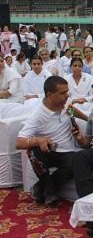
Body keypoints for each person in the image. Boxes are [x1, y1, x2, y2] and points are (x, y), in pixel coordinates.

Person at [16, 76, 80, 205]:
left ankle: (42, 189)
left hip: (68, 152)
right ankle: (49, 192)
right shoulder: (38, 115)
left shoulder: (65, 104)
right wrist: (37, 140)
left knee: (77, 161)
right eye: (62, 93)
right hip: (49, 151)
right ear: (50, 95)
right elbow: (18, 142)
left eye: (67, 91)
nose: (67, 95)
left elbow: (71, 110)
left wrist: (87, 120)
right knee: (33, 151)